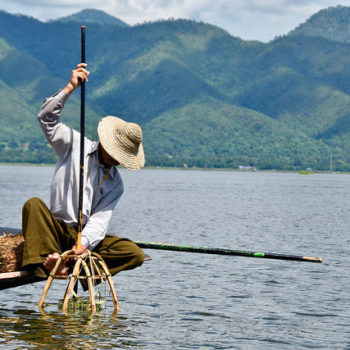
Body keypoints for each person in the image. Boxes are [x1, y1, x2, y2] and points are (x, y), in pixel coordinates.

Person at [21, 63, 145, 278]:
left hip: (84, 236)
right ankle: (50, 263)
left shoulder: (115, 183)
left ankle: (75, 269)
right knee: (33, 205)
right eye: (117, 154)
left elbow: (100, 220)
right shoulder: (74, 145)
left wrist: (84, 245)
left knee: (133, 253)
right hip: (58, 229)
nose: (118, 161)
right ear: (106, 144)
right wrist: (70, 87)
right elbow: (46, 119)